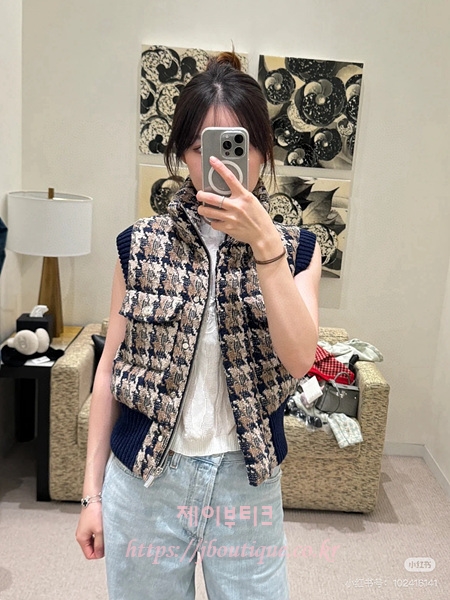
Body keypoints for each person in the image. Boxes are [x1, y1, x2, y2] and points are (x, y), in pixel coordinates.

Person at [76, 51, 321, 600]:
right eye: (200, 147)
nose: (221, 164)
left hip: (246, 484)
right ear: (182, 154)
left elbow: (300, 359)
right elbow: (110, 370)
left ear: (263, 150)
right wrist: (91, 495)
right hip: (145, 483)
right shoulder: (139, 245)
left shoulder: (298, 249)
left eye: (239, 145)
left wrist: (266, 247)